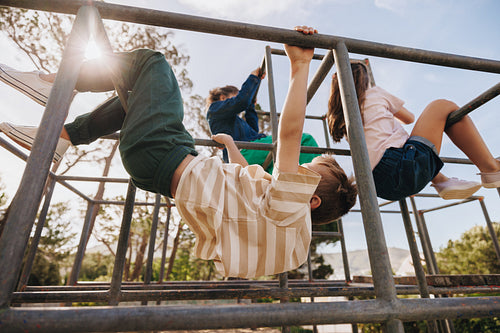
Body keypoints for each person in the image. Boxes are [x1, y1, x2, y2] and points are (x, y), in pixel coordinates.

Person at [0, 26, 357, 278]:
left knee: (151, 62)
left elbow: (291, 133)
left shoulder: (288, 207)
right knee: (138, 95)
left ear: (310, 202)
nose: (298, 169)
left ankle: (59, 82)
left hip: (162, 154)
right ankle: (63, 136)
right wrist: (232, 146)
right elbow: (244, 185)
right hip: (162, 163)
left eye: (308, 171)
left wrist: (300, 66)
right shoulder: (284, 228)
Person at [327, 62, 500, 201]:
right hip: (398, 167)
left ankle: (441, 180)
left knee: (398, 140)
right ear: (364, 80)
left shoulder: (341, 113)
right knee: (442, 106)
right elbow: (409, 118)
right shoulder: (374, 92)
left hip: (377, 186)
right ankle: (491, 168)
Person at [206, 68, 320, 173]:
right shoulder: (214, 109)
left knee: (275, 171)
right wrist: (253, 78)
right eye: (235, 96)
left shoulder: (231, 120)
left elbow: (253, 131)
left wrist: (250, 107)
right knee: (304, 140)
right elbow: (241, 101)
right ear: (222, 98)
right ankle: (318, 178)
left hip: (251, 151)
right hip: (243, 152)